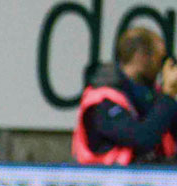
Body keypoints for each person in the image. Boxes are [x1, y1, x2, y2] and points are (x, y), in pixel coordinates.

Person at [73, 26, 177, 165]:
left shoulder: (151, 97)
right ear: (141, 57)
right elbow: (142, 138)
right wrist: (168, 95)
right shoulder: (102, 100)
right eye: (160, 58)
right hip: (108, 183)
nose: (161, 66)